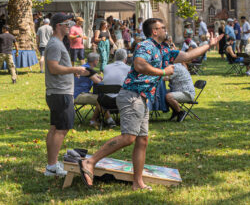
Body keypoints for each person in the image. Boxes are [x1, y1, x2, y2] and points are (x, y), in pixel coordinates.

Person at [79, 18, 222, 190]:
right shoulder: (146, 46)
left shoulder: (164, 49)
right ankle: (90, 161)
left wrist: (209, 44)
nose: (165, 29)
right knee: (128, 137)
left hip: (143, 98)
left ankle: (137, 182)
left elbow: (188, 56)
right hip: (132, 96)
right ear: (154, 31)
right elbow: (139, 64)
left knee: (142, 140)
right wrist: (162, 71)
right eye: (162, 27)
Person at [44, 13, 89, 177]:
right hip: (60, 93)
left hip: (58, 91)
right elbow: (53, 68)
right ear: (58, 26)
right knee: (61, 130)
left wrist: (71, 73)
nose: (69, 26)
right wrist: (74, 69)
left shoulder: (58, 43)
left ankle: (51, 165)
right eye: (67, 23)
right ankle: (52, 166)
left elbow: (58, 67)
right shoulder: (55, 44)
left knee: (55, 128)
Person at [73, 53, 116, 128]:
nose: (98, 62)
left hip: (79, 92)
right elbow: (98, 82)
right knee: (101, 99)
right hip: (78, 95)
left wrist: (99, 77)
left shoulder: (86, 67)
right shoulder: (87, 69)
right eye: (98, 60)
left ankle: (95, 119)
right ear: (95, 61)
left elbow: (98, 77)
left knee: (100, 97)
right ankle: (108, 120)